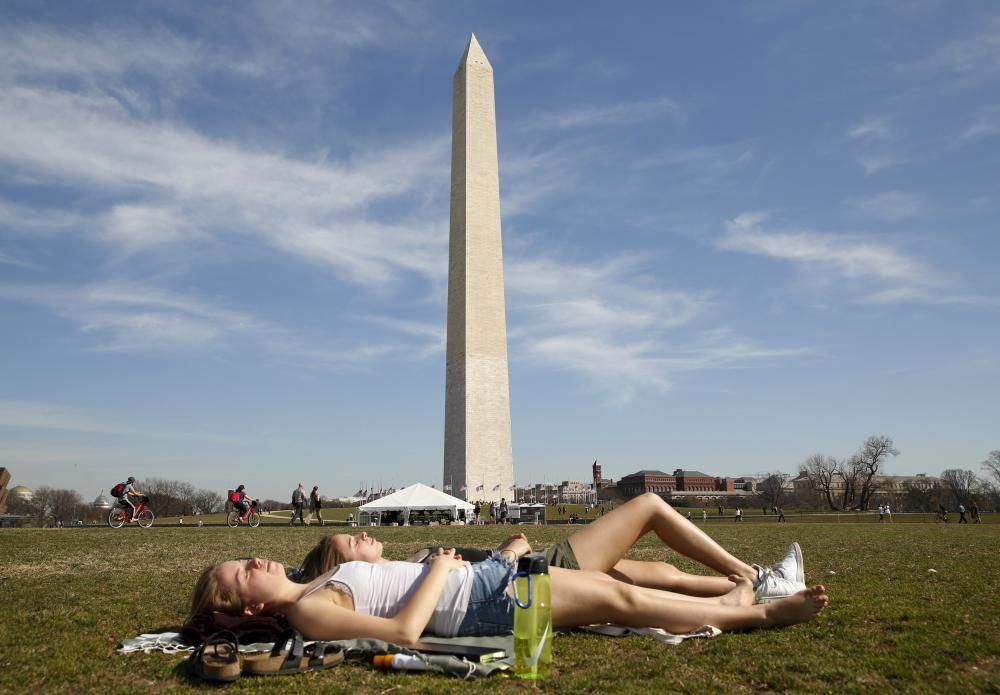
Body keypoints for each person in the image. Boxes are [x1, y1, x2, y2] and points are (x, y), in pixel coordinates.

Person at [190, 552, 828, 643]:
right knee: (621, 602)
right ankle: (763, 613)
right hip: (480, 603)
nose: (258, 560)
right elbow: (407, 632)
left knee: (614, 591)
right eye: (246, 572)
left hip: (485, 582)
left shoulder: (318, 580)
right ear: (250, 607)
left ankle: (733, 608)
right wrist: (439, 568)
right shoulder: (306, 609)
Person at [297, 493, 808, 603]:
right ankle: (760, 578)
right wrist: (510, 552)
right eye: (352, 542)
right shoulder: (401, 574)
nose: (362, 535)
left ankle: (761, 589)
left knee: (651, 569)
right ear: (344, 568)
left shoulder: (403, 567)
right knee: (650, 507)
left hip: (532, 563)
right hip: (544, 567)